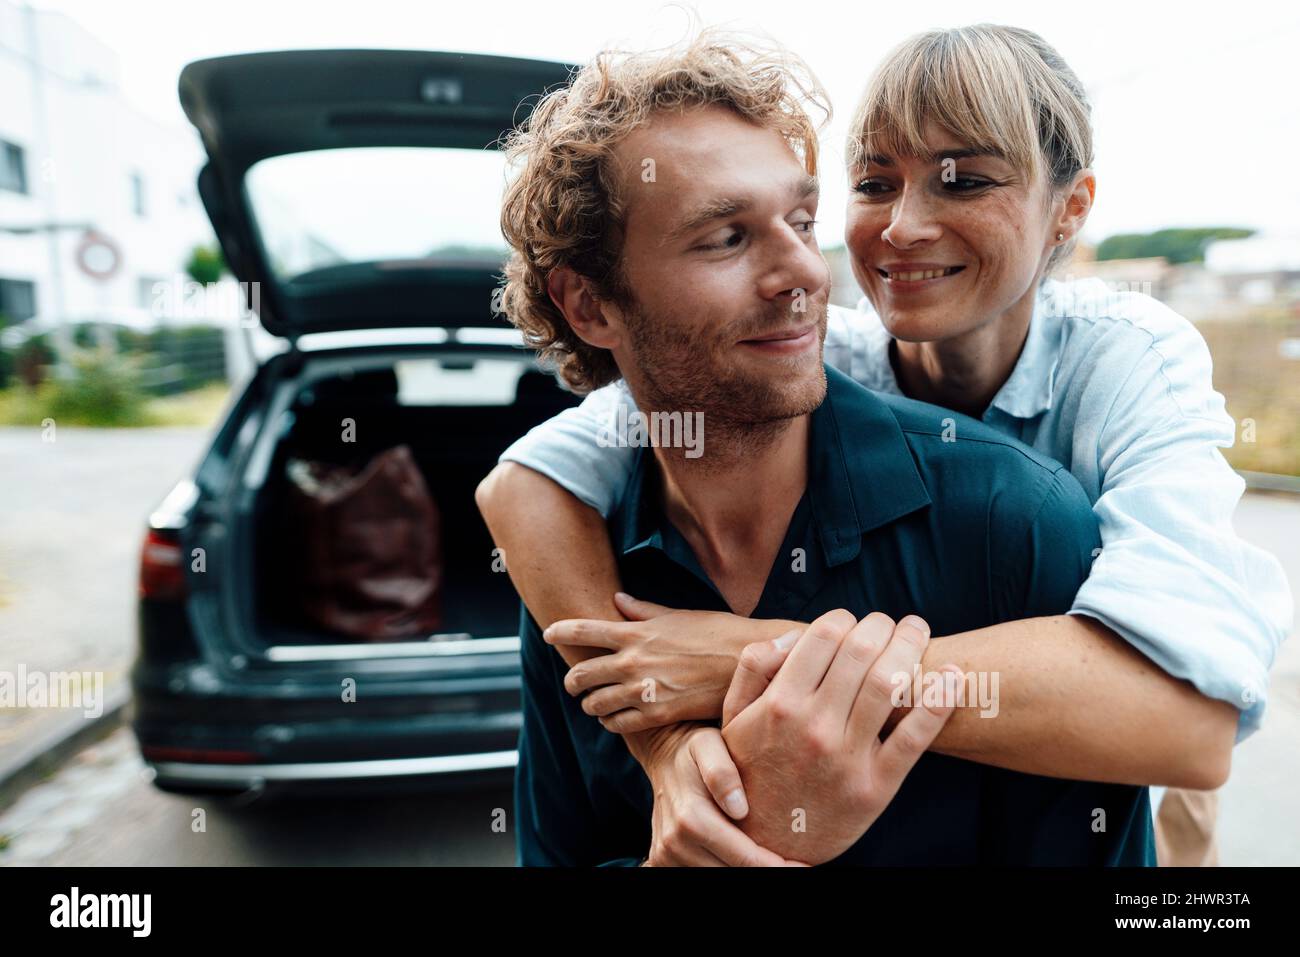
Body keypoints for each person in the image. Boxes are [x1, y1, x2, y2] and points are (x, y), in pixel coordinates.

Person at [479, 25, 1253, 866]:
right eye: (876, 184)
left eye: (965, 180)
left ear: (1070, 208)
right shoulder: (816, 353)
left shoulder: (1123, 368)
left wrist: (765, 660)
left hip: (1137, 721)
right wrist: (658, 740)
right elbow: (522, 484)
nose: (903, 228)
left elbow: (1188, 723)